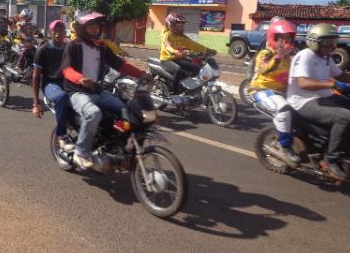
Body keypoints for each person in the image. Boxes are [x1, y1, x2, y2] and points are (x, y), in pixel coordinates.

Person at [62, 11, 149, 172]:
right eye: (91, 26)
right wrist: (80, 78)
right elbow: (66, 69)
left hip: (97, 91)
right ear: (82, 28)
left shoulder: (101, 46)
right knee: (94, 114)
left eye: (97, 25)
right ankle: (81, 153)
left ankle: (115, 147)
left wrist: (142, 74)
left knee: (126, 110)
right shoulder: (73, 45)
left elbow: (119, 64)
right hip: (77, 92)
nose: (95, 29)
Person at [287, 23, 350, 180]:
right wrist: (332, 84)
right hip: (304, 101)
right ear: (314, 41)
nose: (332, 46)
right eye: (328, 42)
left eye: (334, 42)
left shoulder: (326, 57)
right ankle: (331, 159)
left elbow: (341, 75)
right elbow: (303, 83)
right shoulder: (305, 56)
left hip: (325, 97)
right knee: (345, 116)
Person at [249, 20, 301, 167]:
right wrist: (278, 56)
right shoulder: (266, 53)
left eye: (288, 38)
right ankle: (285, 147)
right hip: (261, 90)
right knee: (284, 109)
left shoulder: (289, 58)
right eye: (281, 38)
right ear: (274, 38)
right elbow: (264, 69)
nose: (285, 41)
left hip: (282, 92)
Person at [32, 20, 74, 151]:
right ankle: (61, 136)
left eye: (61, 30)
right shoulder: (43, 49)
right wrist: (36, 103)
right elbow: (36, 76)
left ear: (65, 32)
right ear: (50, 33)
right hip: (51, 84)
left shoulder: (69, 47)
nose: (58, 33)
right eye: (55, 30)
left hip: (68, 83)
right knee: (61, 97)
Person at [159, 12, 215, 90]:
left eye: (182, 25)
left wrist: (207, 50)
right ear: (171, 25)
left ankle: (190, 88)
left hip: (178, 59)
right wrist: (174, 51)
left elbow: (193, 44)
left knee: (198, 68)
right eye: (179, 25)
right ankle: (174, 91)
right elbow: (167, 46)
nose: (181, 27)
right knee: (179, 70)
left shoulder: (181, 37)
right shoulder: (167, 35)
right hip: (166, 60)